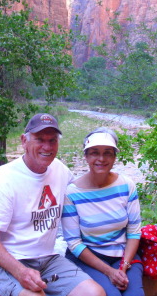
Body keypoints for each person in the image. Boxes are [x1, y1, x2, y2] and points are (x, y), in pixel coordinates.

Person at [0, 113, 105, 296]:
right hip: (6, 262)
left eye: (52, 140)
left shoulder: (60, 170)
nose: (47, 147)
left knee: (94, 293)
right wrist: (21, 272)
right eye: (39, 139)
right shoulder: (3, 180)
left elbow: (83, 198)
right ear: (24, 141)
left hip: (47, 259)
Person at [62, 127, 144, 296]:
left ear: (114, 157)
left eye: (108, 153)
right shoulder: (72, 193)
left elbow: (134, 231)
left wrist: (124, 266)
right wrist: (109, 272)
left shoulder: (127, 186)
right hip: (88, 258)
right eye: (94, 153)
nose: (101, 158)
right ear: (86, 156)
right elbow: (74, 242)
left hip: (124, 256)